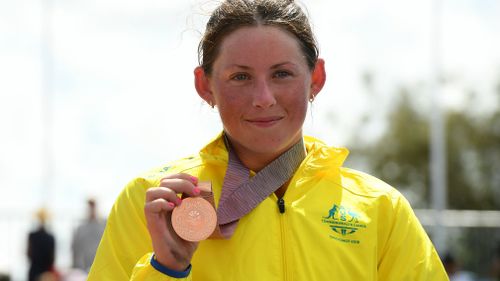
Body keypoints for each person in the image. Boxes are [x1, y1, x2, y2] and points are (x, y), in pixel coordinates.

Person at [88, 0, 448, 279]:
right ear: (205, 86)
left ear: (316, 79)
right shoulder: (153, 201)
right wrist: (166, 269)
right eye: (240, 77)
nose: (263, 97)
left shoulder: (380, 209)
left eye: (282, 74)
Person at [71, 198, 106, 272]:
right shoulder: (80, 229)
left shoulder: (103, 226)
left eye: (92, 206)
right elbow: (75, 248)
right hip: (83, 269)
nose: (91, 209)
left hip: (100, 268)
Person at [27, 208, 57, 281]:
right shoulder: (50, 237)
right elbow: (52, 258)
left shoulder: (32, 236)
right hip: (46, 272)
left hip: (34, 270)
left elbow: (29, 253)